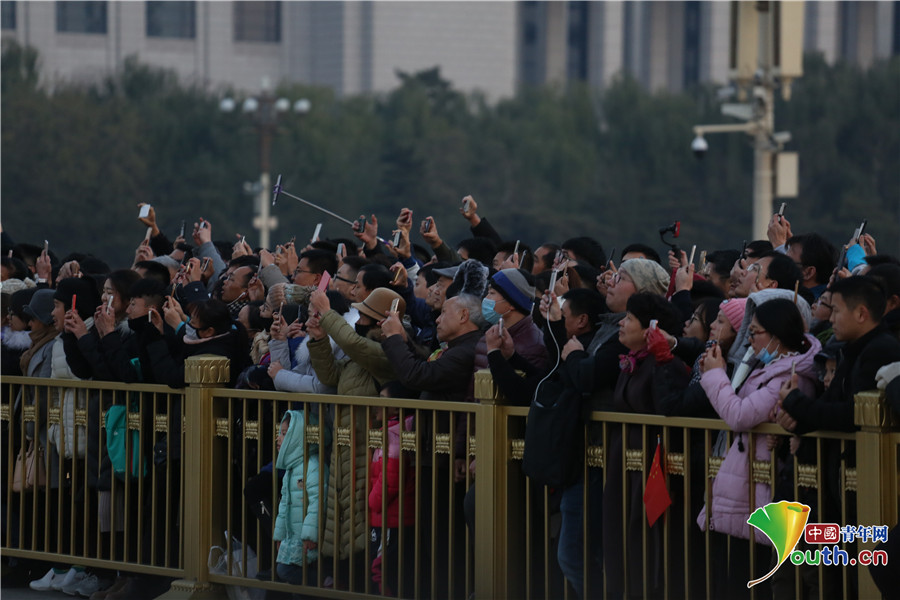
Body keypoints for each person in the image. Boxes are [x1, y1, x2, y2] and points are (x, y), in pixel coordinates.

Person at [699, 298, 821, 599]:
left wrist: (715, 374)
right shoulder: (771, 367)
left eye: (755, 333)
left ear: (776, 335)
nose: (750, 340)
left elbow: (739, 415)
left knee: (752, 580)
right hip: (748, 480)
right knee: (735, 576)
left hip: (764, 485)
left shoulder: (791, 374)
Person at [602, 292, 690, 599]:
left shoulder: (665, 364)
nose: (621, 324)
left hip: (652, 464)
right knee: (620, 535)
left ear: (651, 328)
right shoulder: (632, 362)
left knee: (647, 539)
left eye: (629, 319)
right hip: (623, 462)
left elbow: (669, 410)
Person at [368, 383, 416, 597]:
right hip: (390, 516)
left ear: (397, 407)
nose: (376, 405)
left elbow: (391, 480)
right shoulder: (394, 431)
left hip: (390, 516)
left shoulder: (395, 436)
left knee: (381, 570)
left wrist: (372, 502)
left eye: (382, 399)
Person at [272, 410, 329, 584]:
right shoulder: (291, 468)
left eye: (284, 433)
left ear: (296, 437)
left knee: (285, 571)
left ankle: (326, 582)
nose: (278, 438)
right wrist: (280, 535)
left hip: (305, 539)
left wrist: (311, 535)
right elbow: (284, 505)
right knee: (292, 579)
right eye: (279, 433)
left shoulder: (313, 465)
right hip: (292, 537)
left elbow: (318, 502)